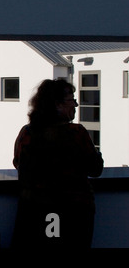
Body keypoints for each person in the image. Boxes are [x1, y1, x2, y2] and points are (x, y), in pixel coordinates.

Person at [11, 79, 103, 248]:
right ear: (57, 105)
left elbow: (18, 164)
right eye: (72, 100)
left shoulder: (27, 133)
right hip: (74, 213)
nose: (75, 105)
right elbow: (96, 168)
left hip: (34, 211)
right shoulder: (77, 133)